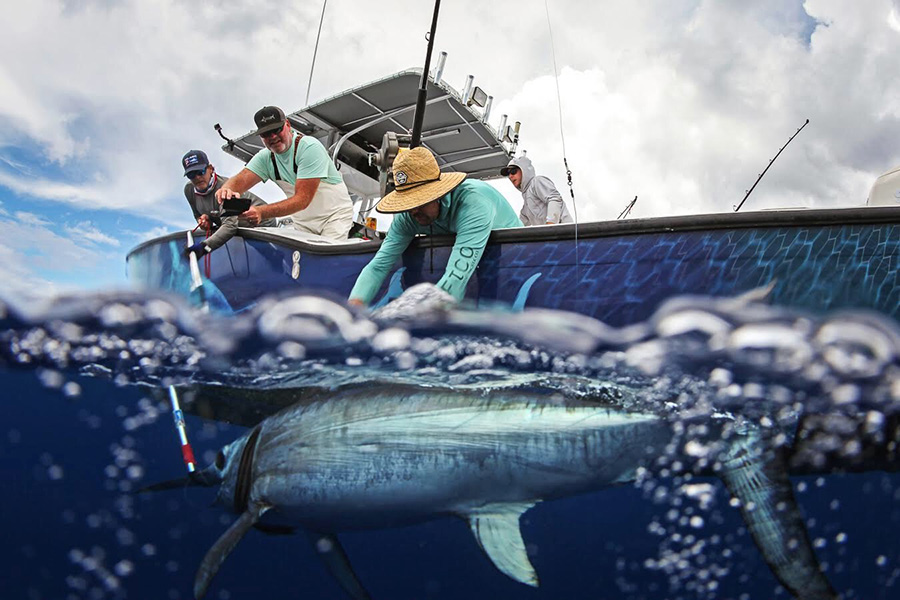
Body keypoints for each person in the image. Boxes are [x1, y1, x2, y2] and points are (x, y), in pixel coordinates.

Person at [348, 147, 522, 306]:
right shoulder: (408, 215)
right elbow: (378, 266)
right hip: (470, 264)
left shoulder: (473, 203)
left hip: (517, 258)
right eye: (407, 203)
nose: (413, 210)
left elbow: (456, 277)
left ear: (439, 194)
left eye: (419, 201)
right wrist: (353, 310)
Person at [215, 106, 354, 241]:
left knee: (325, 259)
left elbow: (302, 200)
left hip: (334, 218)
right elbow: (240, 180)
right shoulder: (265, 158)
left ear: (287, 124)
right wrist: (226, 190)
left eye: (276, 130)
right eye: (266, 134)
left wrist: (261, 212)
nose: (273, 137)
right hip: (302, 223)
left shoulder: (309, 147)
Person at [181, 150, 276, 258]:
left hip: (262, 225)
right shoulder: (189, 190)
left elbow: (230, 226)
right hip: (237, 227)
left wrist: (204, 248)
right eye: (191, 174)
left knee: (269, 258)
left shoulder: (226, 190)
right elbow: (198, 215)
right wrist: (205, 221)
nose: (197, 177)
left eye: (200, 172)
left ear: (211, 169)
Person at [500, 155, 573, 226]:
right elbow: (520, 224)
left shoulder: (537, 182)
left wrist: (550, 224)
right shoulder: (527, 202)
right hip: (550, 236)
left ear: (524, 170)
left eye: (513, 171)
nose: (510, 176)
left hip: (565, 234)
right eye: (508, 174)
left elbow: (554, 199)